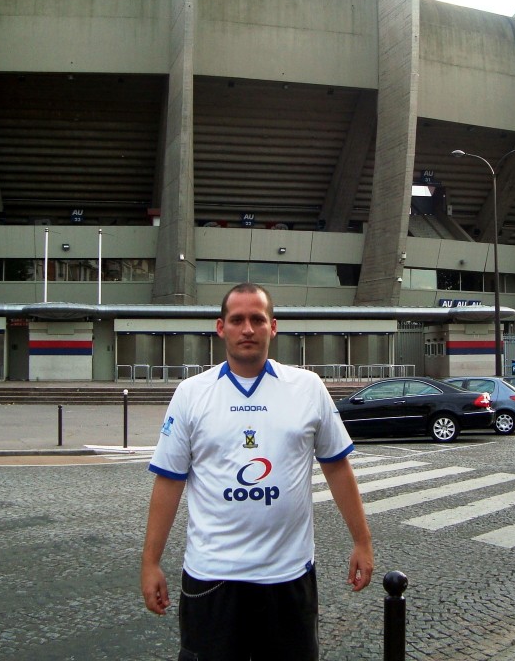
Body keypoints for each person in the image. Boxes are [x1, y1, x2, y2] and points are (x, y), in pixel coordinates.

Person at [141, 282, 374, 661]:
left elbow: (337, 467)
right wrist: (150, 562)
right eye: (237, 320)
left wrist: (362, 541)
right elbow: (168, 480)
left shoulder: (307, 388)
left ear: (273, 327)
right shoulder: (191, 393)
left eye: (257, 319)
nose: (247, 329)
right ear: (221, 327)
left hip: (288, 576)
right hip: (212, 576)